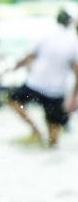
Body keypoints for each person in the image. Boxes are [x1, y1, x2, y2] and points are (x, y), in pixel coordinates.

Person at [7, 10, 78, 147]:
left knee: (11, 99)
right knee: (54, 140)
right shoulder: (73, 42)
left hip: (36, 84)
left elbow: (28, 57)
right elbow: (77, 72)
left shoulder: (45, 35)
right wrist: (74, 96)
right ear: (70, 23)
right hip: (56, 91)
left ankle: (35, 130)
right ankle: (49, 145)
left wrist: (13, 68)